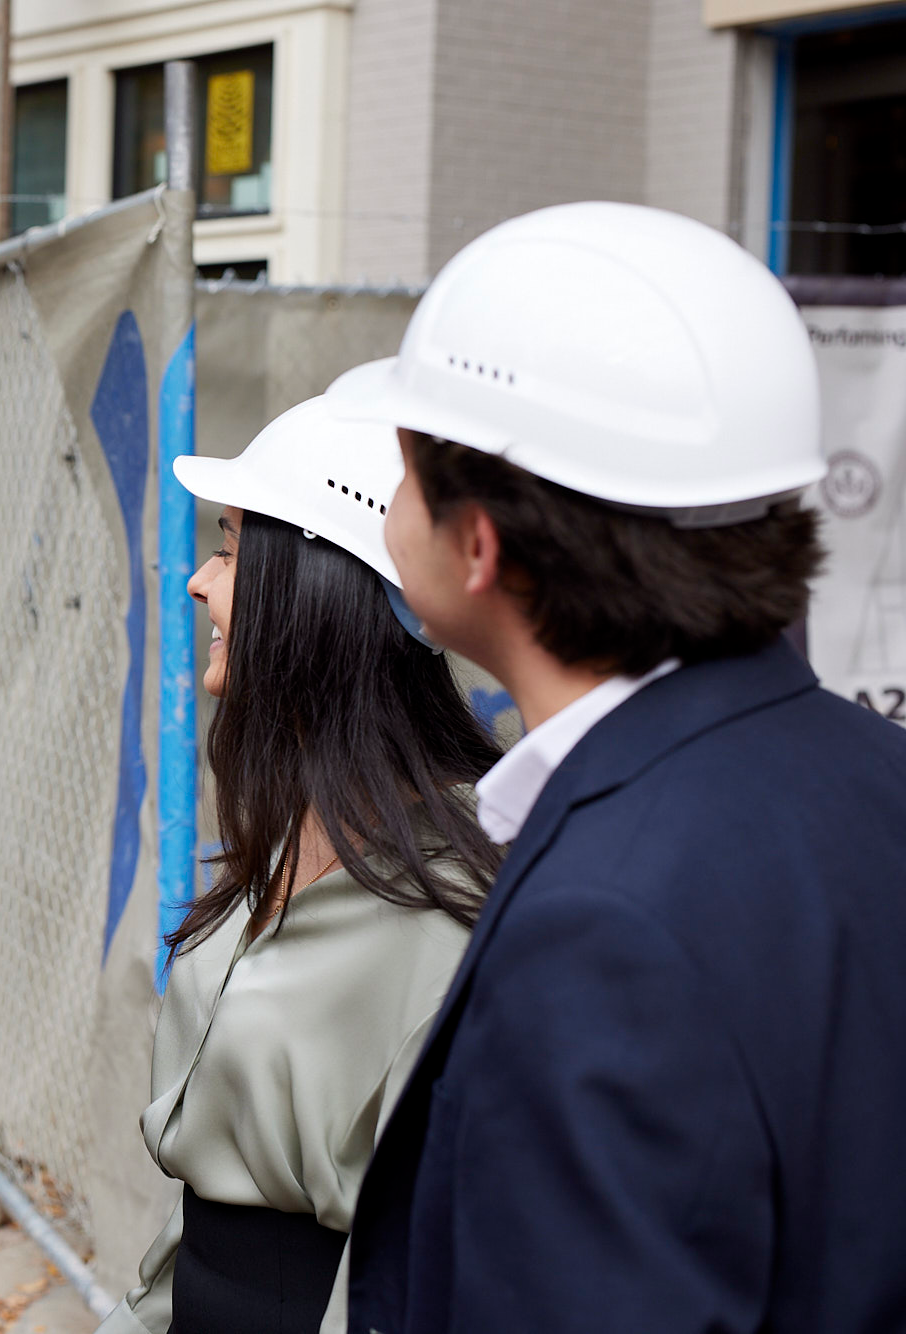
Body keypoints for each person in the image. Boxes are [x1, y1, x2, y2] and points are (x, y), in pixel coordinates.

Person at [330, 201, 906, 1332]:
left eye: (399, 475)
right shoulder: (871, 773)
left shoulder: (604, 927)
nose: (387, 507)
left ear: (479, 540)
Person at [99, 399, 504, 1334]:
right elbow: (202, 1219)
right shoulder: (294, 833)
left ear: (319, 587)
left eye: (232, 546)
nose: (199, 581)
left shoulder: (452, 907)